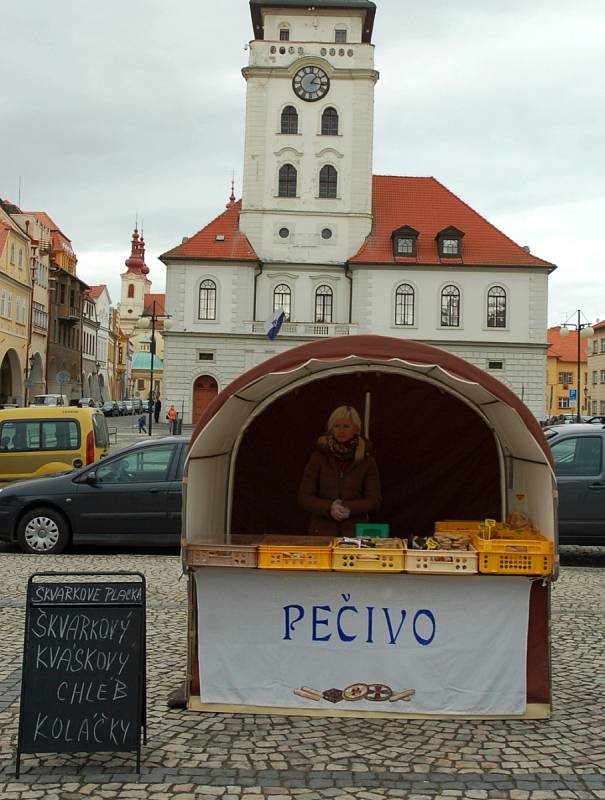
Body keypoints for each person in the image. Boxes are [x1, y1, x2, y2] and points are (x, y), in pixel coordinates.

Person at [298, 405, 381, 536]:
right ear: (331, 428)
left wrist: (349, 508)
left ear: (356, 429)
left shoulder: (366, 461)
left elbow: (374, 501)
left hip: (354, 534)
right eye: (337, 426)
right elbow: (304, 497)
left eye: (346, 426)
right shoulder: (318, 457)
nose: (341, 431)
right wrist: (329, 507)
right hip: (321, 532)